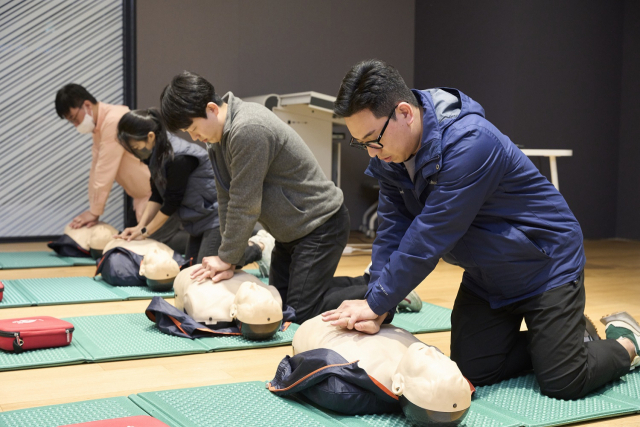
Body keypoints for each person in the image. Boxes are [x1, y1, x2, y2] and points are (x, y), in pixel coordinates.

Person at [322, 59, 639, 400]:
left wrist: (377, 302)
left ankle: (627, 342)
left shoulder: (471, 142)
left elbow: (430, 233)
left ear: (405, 112)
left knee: (564, 382)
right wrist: (379, 303)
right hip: (486, 276)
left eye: (373, 139)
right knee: (473, 370)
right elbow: (393, 229)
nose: (371, 152)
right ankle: (566, 341)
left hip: (544, 266)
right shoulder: (390, 157)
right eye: (362, 143)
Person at [159, 71, 351, 324]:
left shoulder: (248, 129)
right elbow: (226, 198)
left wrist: (226, 257)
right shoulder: (217, 138)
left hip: (320, 226)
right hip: (288, 232)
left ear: (212, 108)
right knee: (275, 307)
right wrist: (230, 257)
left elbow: (244, 204)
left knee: (301, 313)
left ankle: (379, 292)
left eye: (193, 128)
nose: (194, 137)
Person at [114, 108, 271, 266]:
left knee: (209, 271)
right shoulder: (155, 154)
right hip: (197, 221)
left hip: (216, 217)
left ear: (150, 136)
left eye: (134, 147)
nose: (134, 153)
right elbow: (157, 194)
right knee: (191, 270)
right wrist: (139, 227)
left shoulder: (178, 158)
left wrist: (145, 232)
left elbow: (170, 203)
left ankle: (259, 247)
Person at [268, 314, 472, 424]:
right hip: (365, 314)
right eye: (444, 362)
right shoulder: (442, 386)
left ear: (398, 385)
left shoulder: (345, 387)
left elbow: (304, 367)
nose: (433, 354)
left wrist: (280, 382)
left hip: (321, 325)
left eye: (427, 366)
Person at [54, 84, 151, 229]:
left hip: (158, 195)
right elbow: (95, 170)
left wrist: (94, 212)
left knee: (166, 243)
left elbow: (105, 170)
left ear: (86, 105)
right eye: (71, 122)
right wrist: (93, 210)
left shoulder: (114, 120)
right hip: (142, 198)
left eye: (74, 118)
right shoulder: (99, 127)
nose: (76, 125)